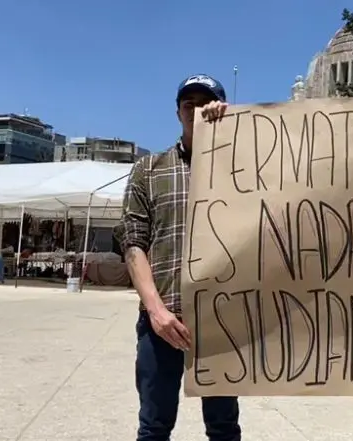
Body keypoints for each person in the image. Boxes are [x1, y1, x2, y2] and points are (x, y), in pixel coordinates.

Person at [120, 74, 241, 441]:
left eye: (206, 103)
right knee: (154, 426)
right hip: (162, 320)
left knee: (223, 427)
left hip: (223, 319)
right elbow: (133, 241)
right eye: (188, 104)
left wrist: (236, 127)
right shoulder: (149, 170)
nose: (196, 110)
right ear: (177, 113)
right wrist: (156, 310)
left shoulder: (243, 166)